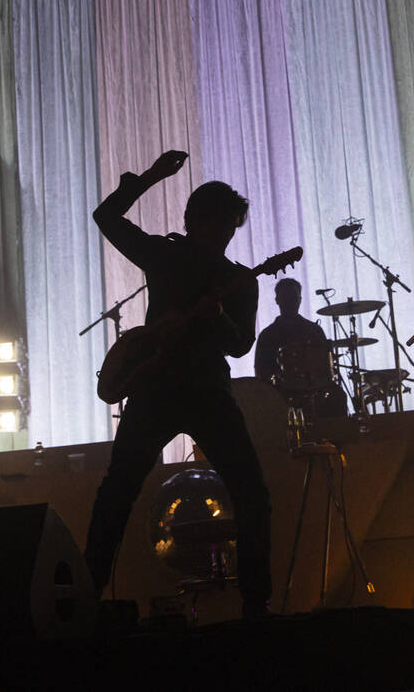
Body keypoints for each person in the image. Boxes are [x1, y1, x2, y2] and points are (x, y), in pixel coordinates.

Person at [85, 150, 272, 617]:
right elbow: (105, 217)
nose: (227, 234)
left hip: (199, 390)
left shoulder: (234, 279)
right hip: (166, 388)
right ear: (198, 222)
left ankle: (255, 603)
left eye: (231, 226)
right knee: (120, 489)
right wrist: (147, 177)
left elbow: (240, 346)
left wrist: (220, 319)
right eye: (222, 224)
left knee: (248, 491)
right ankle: (85, 597)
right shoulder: (169, 256)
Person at [253, 278, 328, 384]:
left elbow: (325, 368)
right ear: (277, 300)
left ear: (300, 299)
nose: (289, 301)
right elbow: (261, 374)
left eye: (292, 297)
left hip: (314, 390)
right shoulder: (267, 336)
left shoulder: (314, 330)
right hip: (279, 395)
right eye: (286, 297)